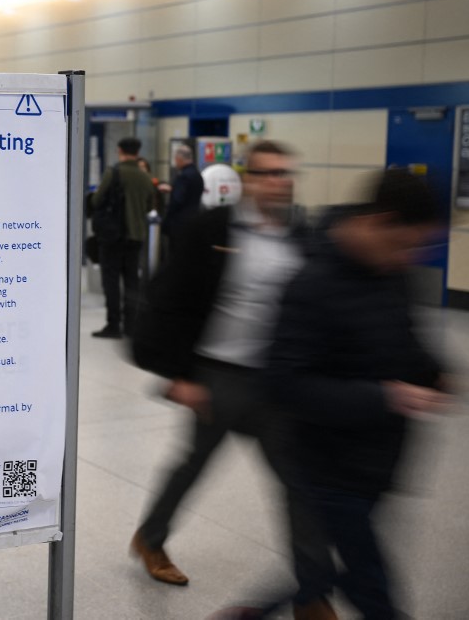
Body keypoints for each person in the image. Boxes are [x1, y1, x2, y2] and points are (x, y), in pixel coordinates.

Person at [131, 141, 335, 619]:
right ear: (247, 178)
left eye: (284, 173)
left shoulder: (302, 236)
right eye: (266, 173)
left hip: (277, 383)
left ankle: (311, 593)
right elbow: (168, 302)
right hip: (217, 375)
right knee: (193, 465)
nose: (277, 181)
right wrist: (179, 376)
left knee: (299, 484)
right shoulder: (210, 230)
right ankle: (150, 539)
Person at [266, 168, 450, 619]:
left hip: (376, 461)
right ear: (378, 221)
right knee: (372, 589)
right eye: (405, 243)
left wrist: (435, 374)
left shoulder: (390, 273)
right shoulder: (312, 283)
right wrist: (383, 397)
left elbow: (403, 341)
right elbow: (285, 385)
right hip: (326, 466)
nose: (410, 256)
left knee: (330, 572)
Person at [89, 137, 155, 338]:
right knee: (132, 281)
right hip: (136, 237)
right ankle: (130, 326)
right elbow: (150, 206)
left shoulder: (114, 172)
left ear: (120, 150)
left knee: (111, 281)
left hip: (113, 237)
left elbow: (97, 199)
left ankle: (113, 325)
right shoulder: (145, 177)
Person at [160, 144, 203, 248]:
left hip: (180, 223)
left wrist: (167, 221)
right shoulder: (197, 174)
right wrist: (173, 189)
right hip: (194, 220)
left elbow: (177, 200)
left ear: (179, 158)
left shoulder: (183, 176)